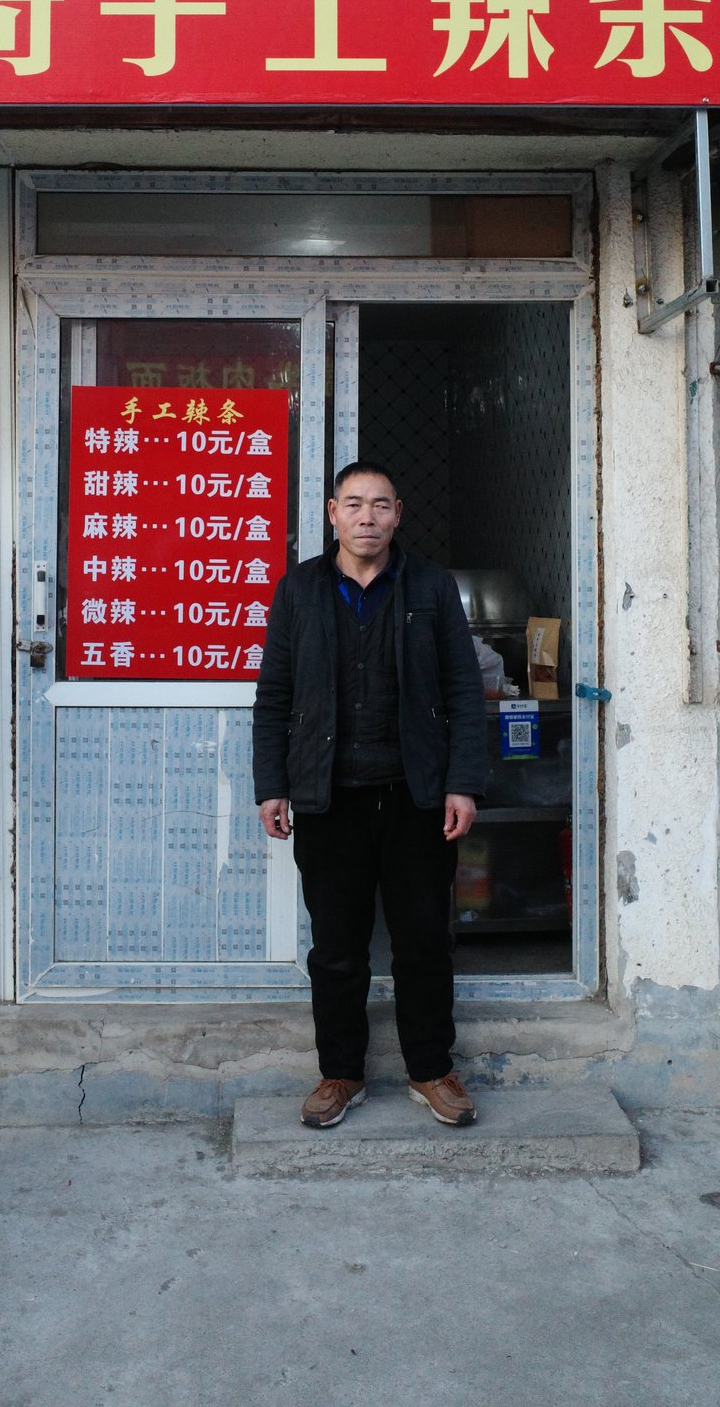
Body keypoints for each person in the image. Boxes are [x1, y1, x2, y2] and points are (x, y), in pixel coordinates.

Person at [253, 461, 487, 1129]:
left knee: (422, 943)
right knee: (335, 947)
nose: (367, 517)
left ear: (398, 514)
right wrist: (272, 785)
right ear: (332, 513)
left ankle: (431, 1070)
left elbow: (465, 693)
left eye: (381, 505)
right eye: (354, 504)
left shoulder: (430, 588)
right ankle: (340, 1074)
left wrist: (463, 783)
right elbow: (274, 696)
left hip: (416, 798)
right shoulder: (299, 590)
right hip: (329, 801)